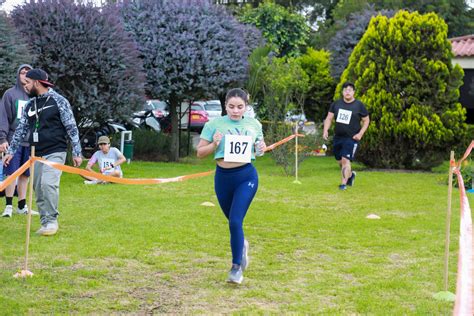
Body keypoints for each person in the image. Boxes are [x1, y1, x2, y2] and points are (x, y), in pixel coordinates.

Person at [197, 88, 266, 284]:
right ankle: (241, 244)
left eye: (240, 107)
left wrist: (260, 149)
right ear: (225, 105)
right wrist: (214, 145)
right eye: (231, 107)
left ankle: (236, 268)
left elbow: (260, 149)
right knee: (234, 223)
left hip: (246, 177)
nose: (235, 111)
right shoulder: (214, 124)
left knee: (235, 221)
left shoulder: (254, 124)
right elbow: (200, 153)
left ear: (246, 106)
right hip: (223, 178)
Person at [3, 68, 82, 236]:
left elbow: (71, 127)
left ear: (37, 83)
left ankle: (52, 221)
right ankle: (45, 223)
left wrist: (77, 151)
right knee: (38, 187)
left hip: (56, 150)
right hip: (36, 152)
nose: (25, 86)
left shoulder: (59, 101)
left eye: (28, 83)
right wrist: (11, 151)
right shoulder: (30, 104)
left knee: (48, 184)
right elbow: (21, 129)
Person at [0, 64, 39, 217]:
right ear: (18, 75)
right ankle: (8, 206)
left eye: (28, 73)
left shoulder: (35, 96)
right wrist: (2, 138)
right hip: (12, 141)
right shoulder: (10, 94)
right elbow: (3, 117)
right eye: (22, 73)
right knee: (11, 173)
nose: (25, 75)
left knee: (25, 175)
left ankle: (22, 206)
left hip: (30, 143)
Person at [323, 82, 370, 190]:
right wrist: (325, 130)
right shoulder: (336, 104)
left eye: (350, 90)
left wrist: (360, 134)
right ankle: (350, 175)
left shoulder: (359, 105)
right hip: (338, 137)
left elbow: (366, 120)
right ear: (343, 92)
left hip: (352, 138)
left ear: (353, 92)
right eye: (345, 90)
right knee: (340, 161)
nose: (347, 92)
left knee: (345, 160)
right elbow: (329, 118)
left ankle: (343, 184)